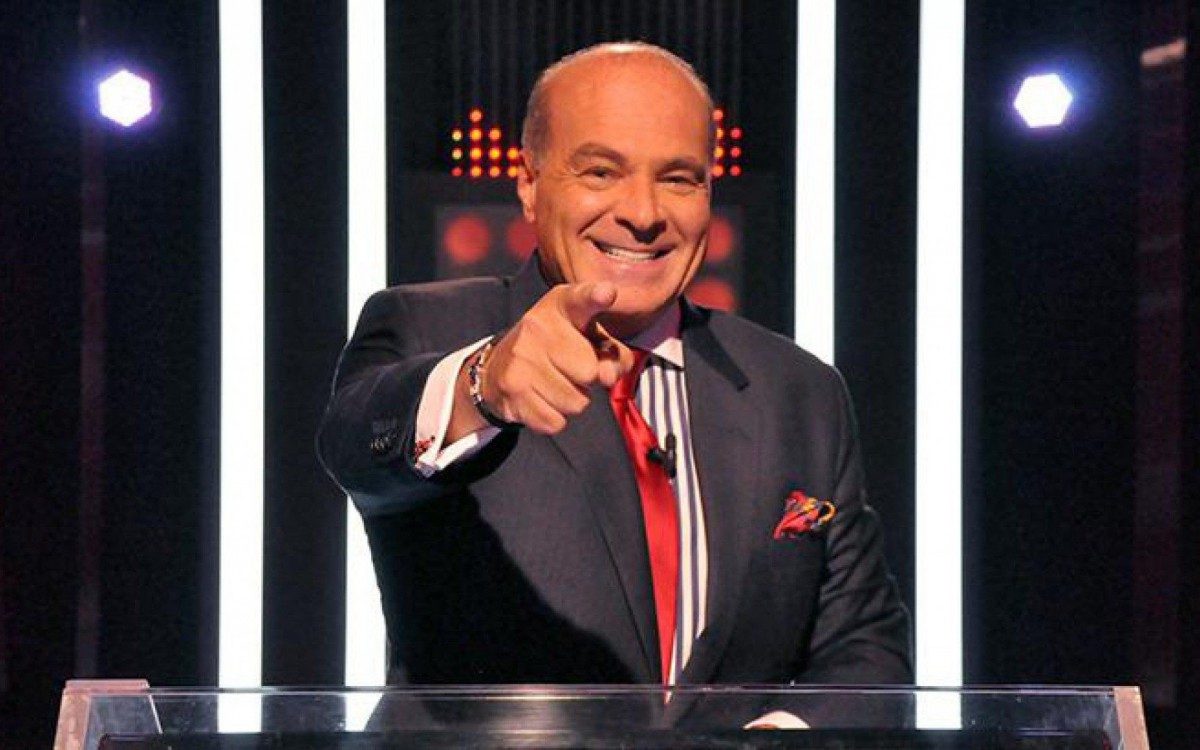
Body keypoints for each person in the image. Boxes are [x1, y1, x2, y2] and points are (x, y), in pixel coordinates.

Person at [318, 42, 911, 724]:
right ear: (530, 183)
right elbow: (353, 446)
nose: (643, 211)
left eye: (679, 178)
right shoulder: (427, 327)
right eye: (601, 171)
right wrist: (484, 384)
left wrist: (780, 739)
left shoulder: (801, 392)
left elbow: (865, 651)